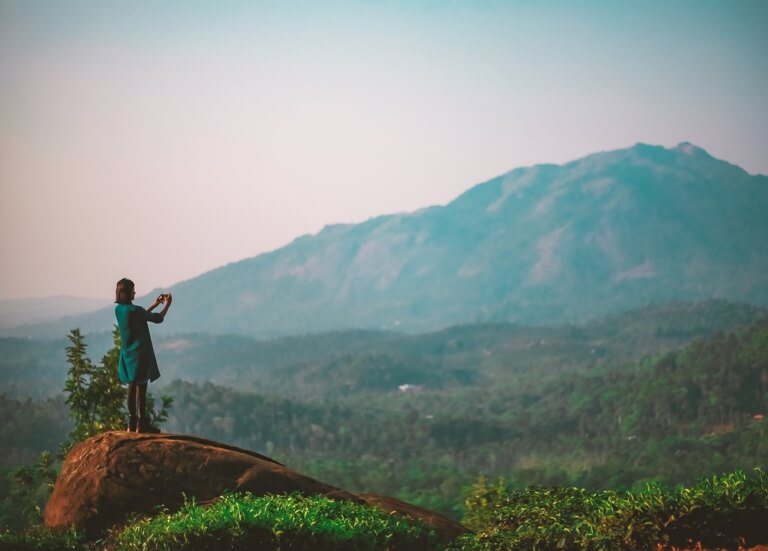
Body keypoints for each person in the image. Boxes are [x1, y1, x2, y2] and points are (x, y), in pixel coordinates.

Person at [114, 278, 173, 433]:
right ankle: (142, 423)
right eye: (133, 290)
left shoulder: (119, 310)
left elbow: (139, 315)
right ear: (127, 293)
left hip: (127, 354)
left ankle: (131, 423)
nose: (134, 292)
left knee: (131, 386)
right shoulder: (135, 310)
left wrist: (154, 303)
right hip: (140, 354)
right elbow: (157, 319)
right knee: (141, 388)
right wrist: (167, 304)